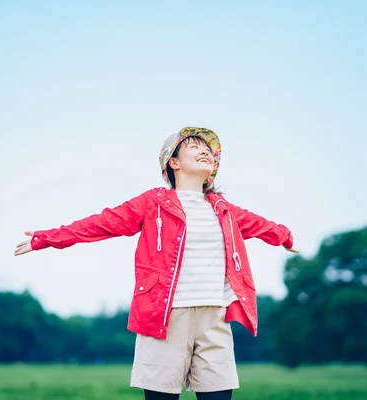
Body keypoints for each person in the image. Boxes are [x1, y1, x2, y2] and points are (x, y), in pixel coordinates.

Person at [15, 127, 298, 400]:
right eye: (194, 147)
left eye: (208, 150)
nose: (205, 151)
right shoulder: (153, 203)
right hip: (165, 317)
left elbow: (263, 225)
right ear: (173, 162)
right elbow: (102, 223)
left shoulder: (223, 209)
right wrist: (47, 238)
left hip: (215, 318)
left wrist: (285, 237)